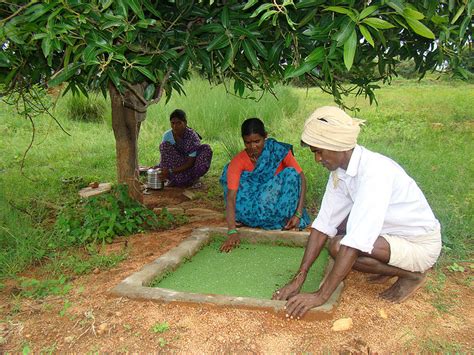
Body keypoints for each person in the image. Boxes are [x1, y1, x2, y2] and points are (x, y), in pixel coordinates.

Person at [273, 106, 441, 319]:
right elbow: (323, 223)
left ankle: (411, 275)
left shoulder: (374, 173)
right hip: (390, 237)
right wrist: (300, 277)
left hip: (420, 246)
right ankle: (386, 267)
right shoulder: (341, 171)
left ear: (338, 146)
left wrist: (321, 295)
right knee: (338, 239)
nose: (317, 159)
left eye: (319, 151)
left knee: (340, 246)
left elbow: (355, 241)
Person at [219, 118, 311, 252]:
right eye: (247, 142)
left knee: (291, 173)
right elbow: (231, 197)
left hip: (272, 204)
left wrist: (298, 214)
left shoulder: (277, 151)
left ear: (265, 136)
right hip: (251, 210)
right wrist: (232, 231)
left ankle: (283, 219)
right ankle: (265, 221)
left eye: (257, 141)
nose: (252, 147)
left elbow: (302, 178)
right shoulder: (238, 160)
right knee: (232, 175)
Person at [156, 109, 212, 187]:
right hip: (176, 166)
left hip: (190, 168)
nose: (175, 126)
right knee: (164, 145)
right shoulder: (167, 136)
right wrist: (163, 169)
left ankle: (191, 179)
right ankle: (177, 179)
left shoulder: (192, 137)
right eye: (173, 123)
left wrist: (170, 171)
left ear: (185, 123)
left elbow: (190, 163)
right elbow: (165, 157)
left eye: (179, 123)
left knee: (206, 148)